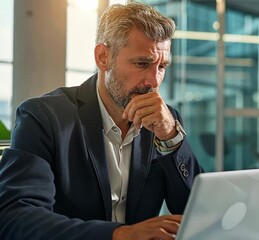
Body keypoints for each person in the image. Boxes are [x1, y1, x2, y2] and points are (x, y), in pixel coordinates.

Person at [0, 3, 204, 240]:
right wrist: (120, 235)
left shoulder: (165, 121)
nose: (153, 81)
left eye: (162, 66)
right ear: (103, 57)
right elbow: (17, 216)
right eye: (142, 63)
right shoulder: (43, 117)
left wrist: (170, 136)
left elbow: (198, 211)